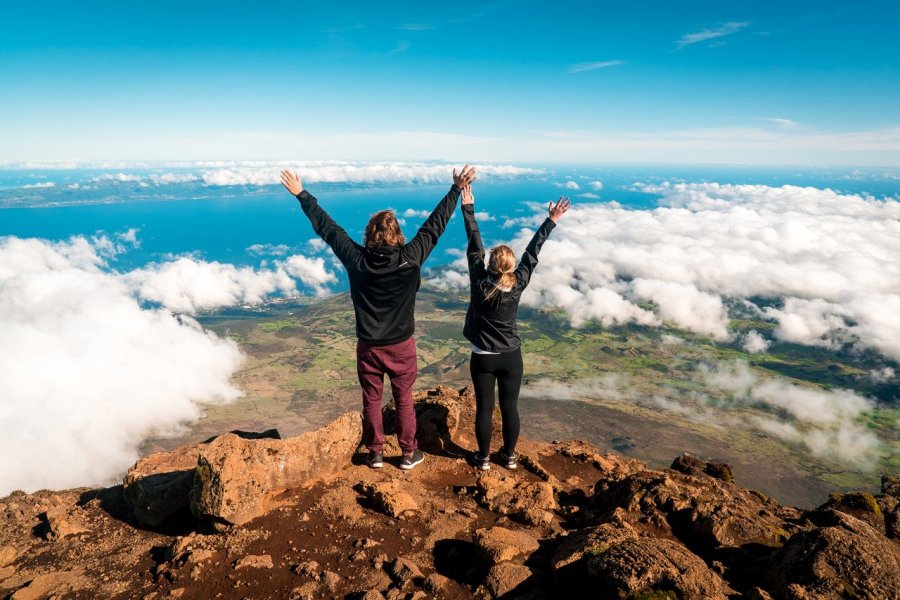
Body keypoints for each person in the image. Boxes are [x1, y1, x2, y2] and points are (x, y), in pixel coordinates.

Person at [280, 165, 477, 470]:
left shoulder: (357, 260)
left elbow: (328, 229)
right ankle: (409, 453)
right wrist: (454, 190)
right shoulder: (411, 258)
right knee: (404, 398)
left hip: (369, 346)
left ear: (369, 236)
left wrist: (301, 195)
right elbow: (434, 226)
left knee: (372, 399)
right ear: (397, 235)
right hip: (401, 346)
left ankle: (375, 454)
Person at [460, 184, 570, 470]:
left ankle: (483, 458)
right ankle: (508, 457)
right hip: (511, 357)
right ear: (509, 267)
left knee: (485, 409)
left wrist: (467, 208)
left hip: (482, 356)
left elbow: (475, 245)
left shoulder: (478, 282)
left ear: (491, 264)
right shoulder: (518, 283)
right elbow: (532, 253)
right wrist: (551, 220)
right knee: (510, 408)